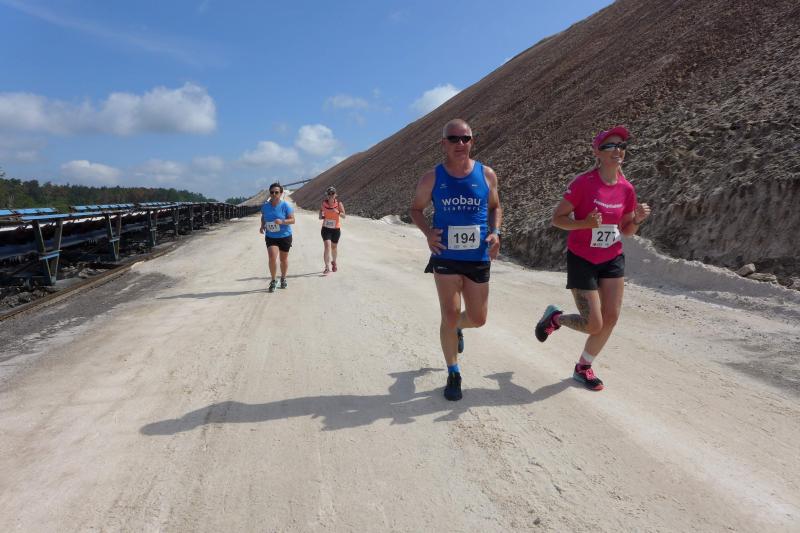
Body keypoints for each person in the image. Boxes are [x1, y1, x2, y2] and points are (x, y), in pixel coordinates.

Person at [535, 126, 651, 390]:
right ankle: (555, 318)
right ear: (597, 152)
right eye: (610, 146)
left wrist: (637, 220)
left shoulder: (626, 189)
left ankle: (583, 367)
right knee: (592, 324)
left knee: (610, 318)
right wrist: (584, 224)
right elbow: (557, 219)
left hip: (611, 258)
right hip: (582, 258)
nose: (617, 150)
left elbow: (626, 231)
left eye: (621, 145)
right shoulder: (583, 184)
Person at [409, 119, 502, 401]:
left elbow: (495, 207)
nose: (460, 143)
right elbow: (416, 209)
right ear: (443, 144)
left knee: (478, 318)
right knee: (449, 314)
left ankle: (460, 327)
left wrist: (496, 232)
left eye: (465, 138)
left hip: (478, 256)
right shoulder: (431, 178)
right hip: (446, 256)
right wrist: (428, 234)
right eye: (453, 139)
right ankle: (453, 372)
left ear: (472, 141)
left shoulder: (486, 174)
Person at [259, 182, 296, 292]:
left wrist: (282, 221)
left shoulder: (286, 206)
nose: (274, 194)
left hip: (285, 236)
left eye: (276, 192)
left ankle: (283, 278)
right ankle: (273, 280)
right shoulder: (265, 206)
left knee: (283, 260)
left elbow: (292, 220)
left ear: (281, 193)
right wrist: (262, 226)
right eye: (272, 192)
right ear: (269, 193)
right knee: (272, 257)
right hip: (271, 236)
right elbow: (263, 216)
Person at [318, 186, 346, 274]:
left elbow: (344, 216)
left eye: (332, 193)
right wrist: (320, 215)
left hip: (336, 229)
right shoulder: (323, 204)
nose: (330, 195)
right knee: (327, 246)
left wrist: (338, 212)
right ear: (327, 195)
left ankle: (334, 262)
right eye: (329, 193)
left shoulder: (339, 204)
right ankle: (327, 267)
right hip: (326, 229)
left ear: (335, 194)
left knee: (334, 247)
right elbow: (321, 211)